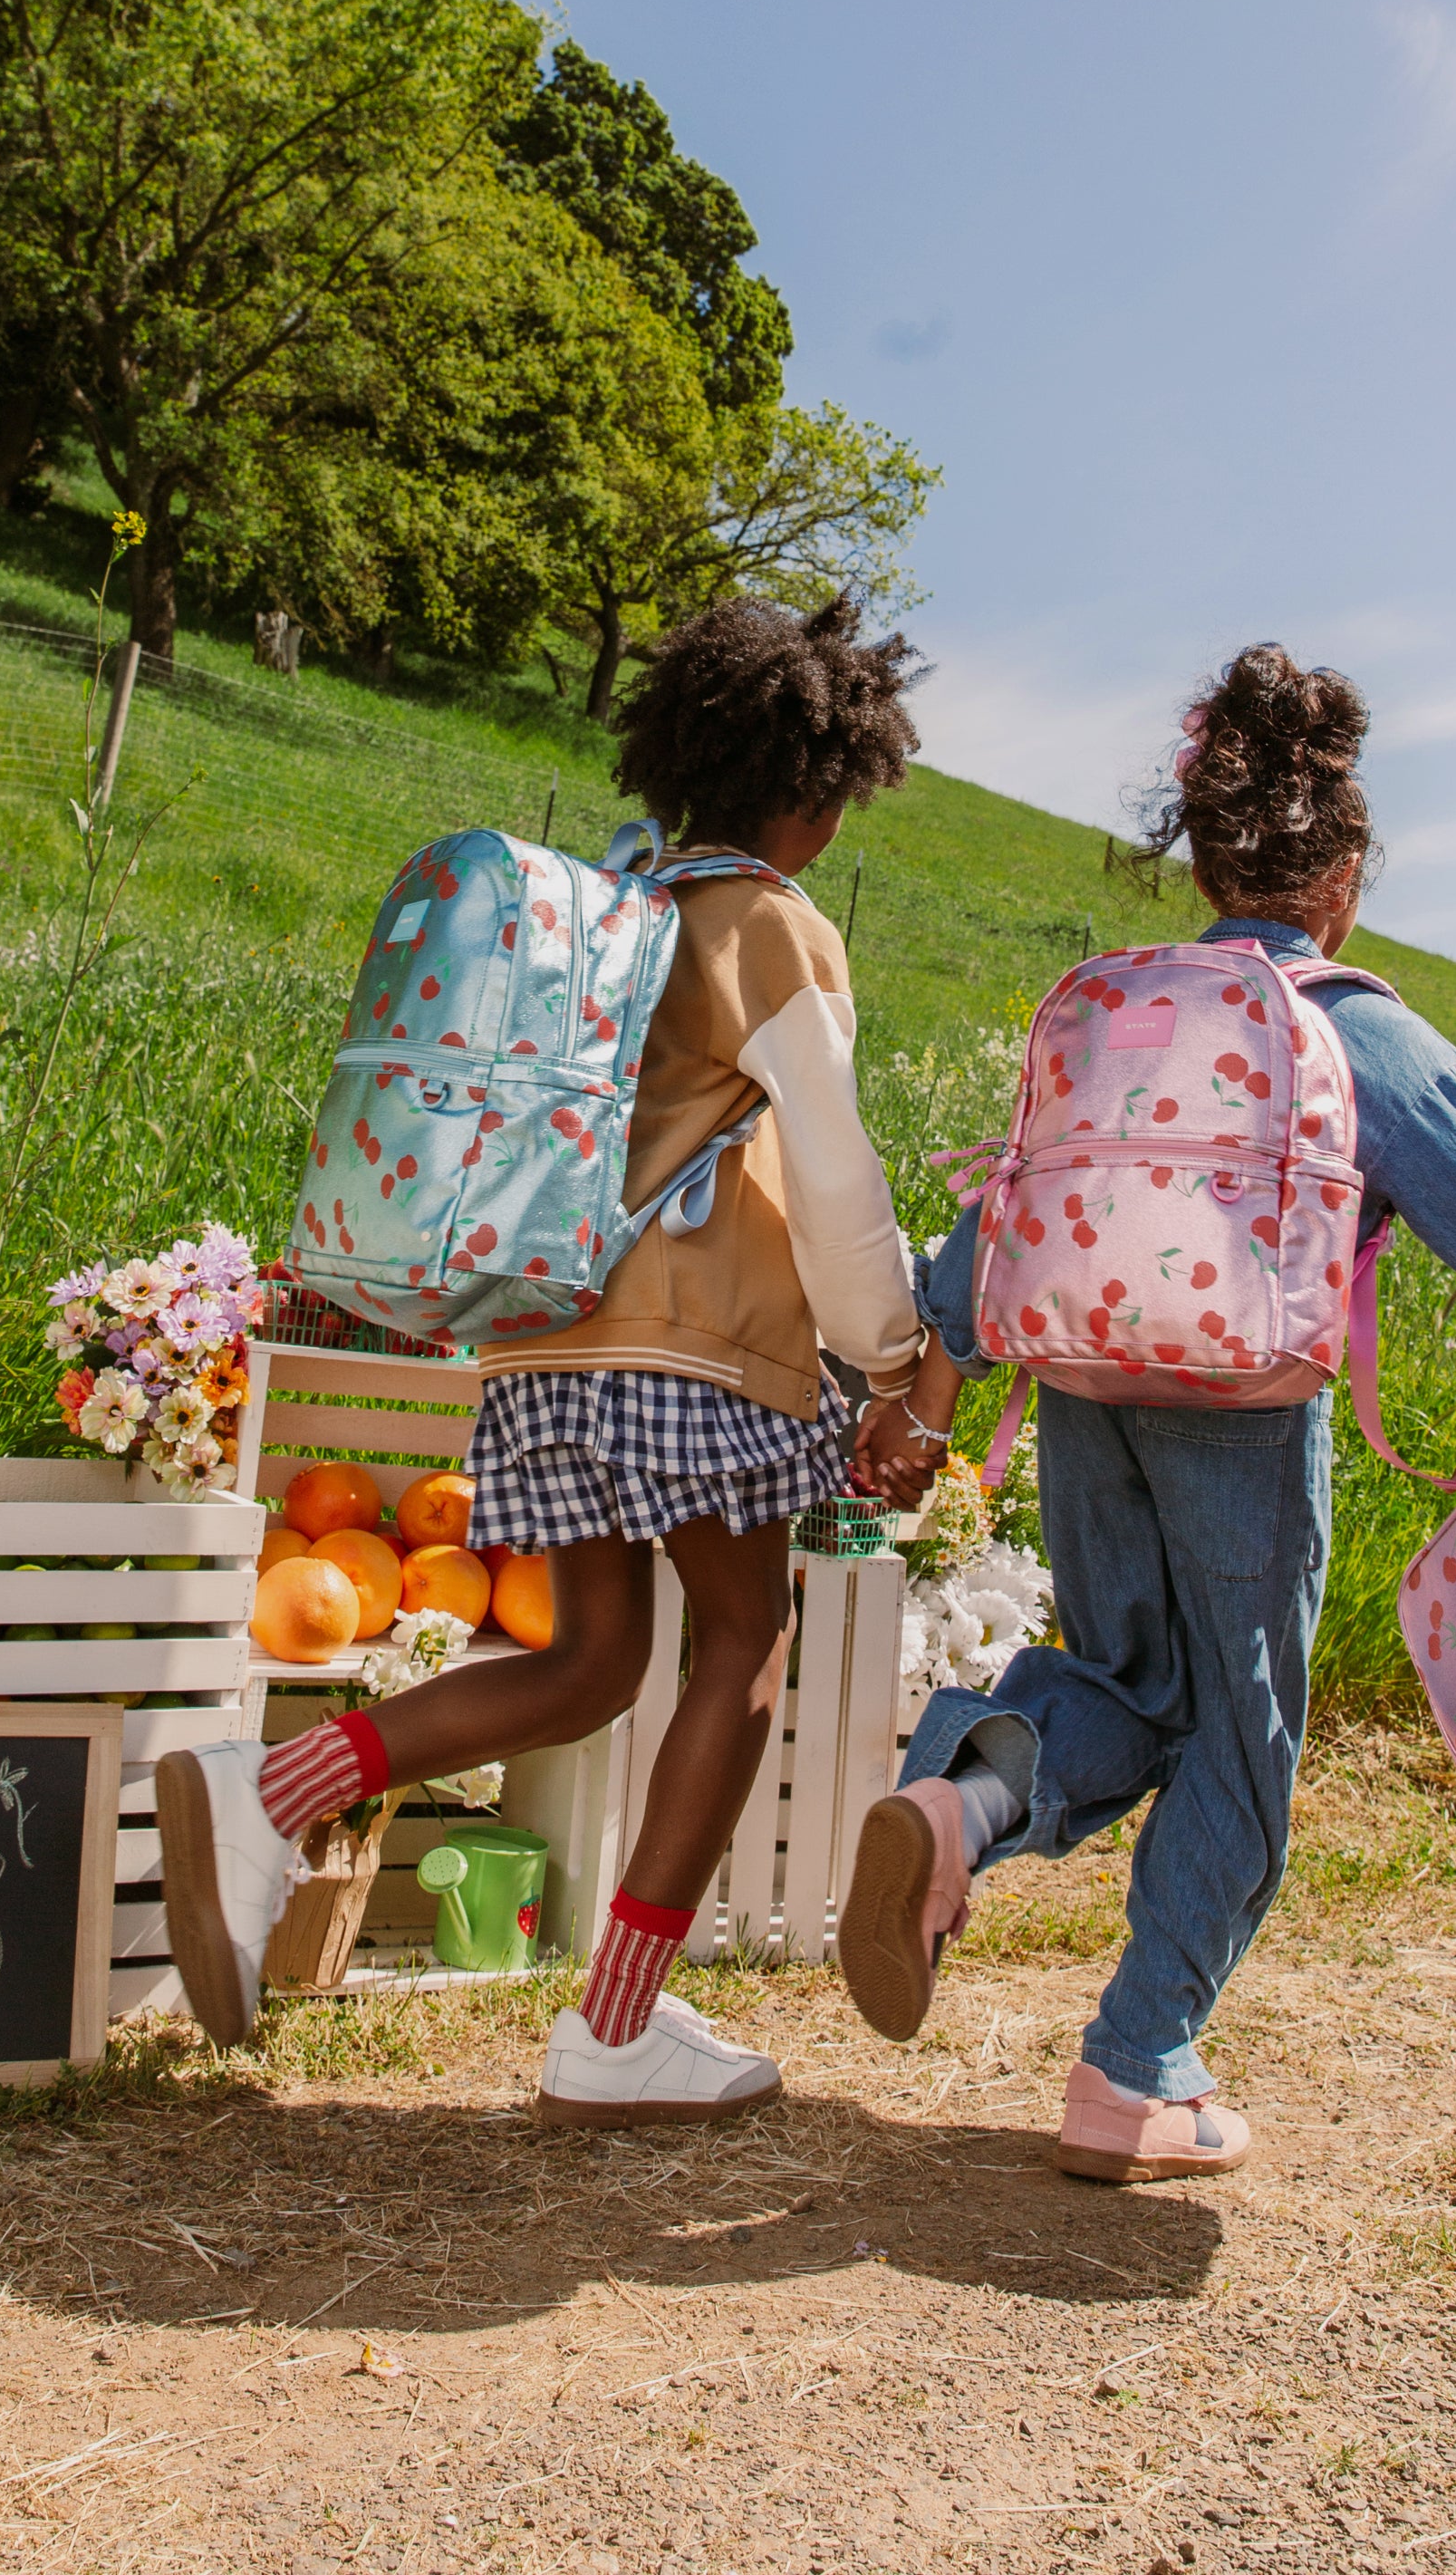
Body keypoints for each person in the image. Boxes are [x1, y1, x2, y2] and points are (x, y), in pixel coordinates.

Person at [840, 642, 1456, 2184]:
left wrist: (939, 1378)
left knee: (1125, 1677)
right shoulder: (1354, 1024)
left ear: (1199, 858)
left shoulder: (1122, 1012)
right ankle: (1139, 2065)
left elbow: (1002, 1223)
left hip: (1081, 1385)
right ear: (1343, 879)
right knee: (1244, 1729)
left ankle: (959, 1803)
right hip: (1241, 1406)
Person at [159, 595, 927, 2122]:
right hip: (696, 1357)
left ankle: (269, 1797)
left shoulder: (619, 909)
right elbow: (834, 1178)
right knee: (746, 1653)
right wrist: (893, 1353)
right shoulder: (769, 921)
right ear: (824, 787)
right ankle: (617, 2029)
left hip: (542, 1342)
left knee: (588, 1663)